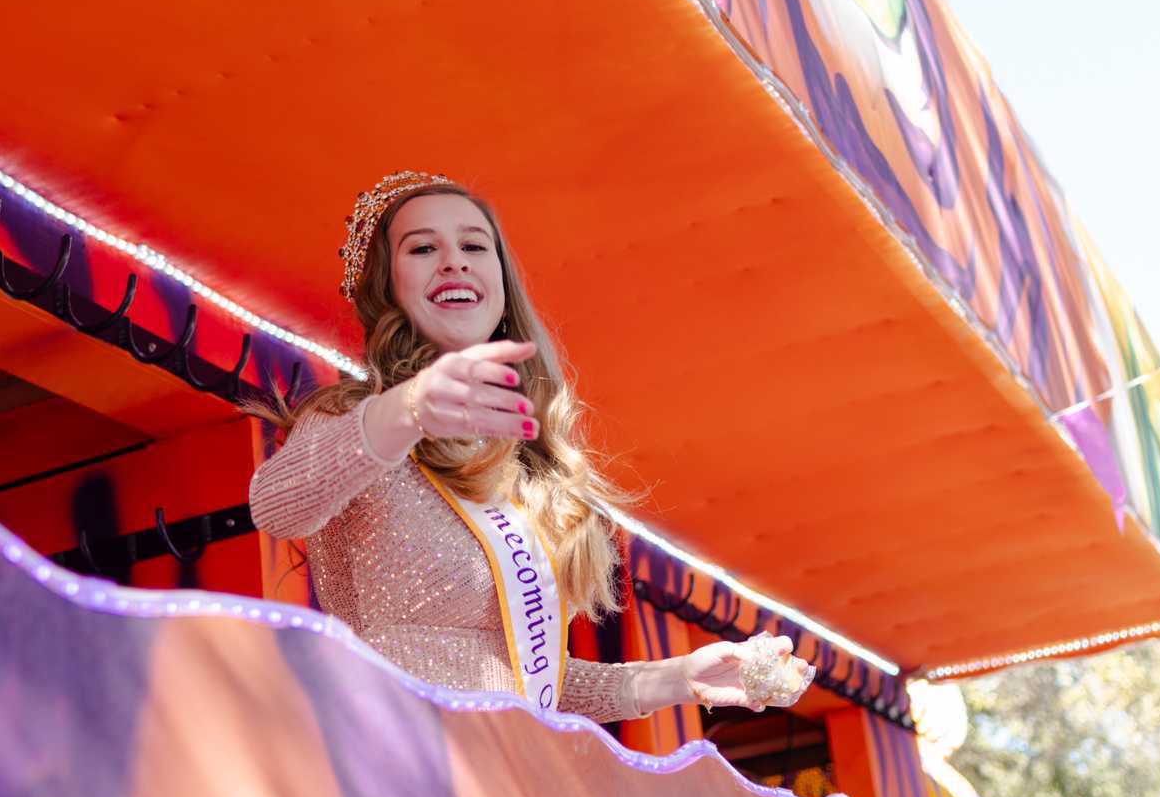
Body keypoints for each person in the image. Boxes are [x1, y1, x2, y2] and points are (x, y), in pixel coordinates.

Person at [250, 171, 812, 723]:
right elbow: (276, 506)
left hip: (511, 772)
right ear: (386, 284)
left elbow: (528, 677)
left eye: (474, 244)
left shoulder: (527, 463)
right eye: (423, 248)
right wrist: (407, 409)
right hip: (399, 754)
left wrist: (671, 678)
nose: (454, 260)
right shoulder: (356, 418)